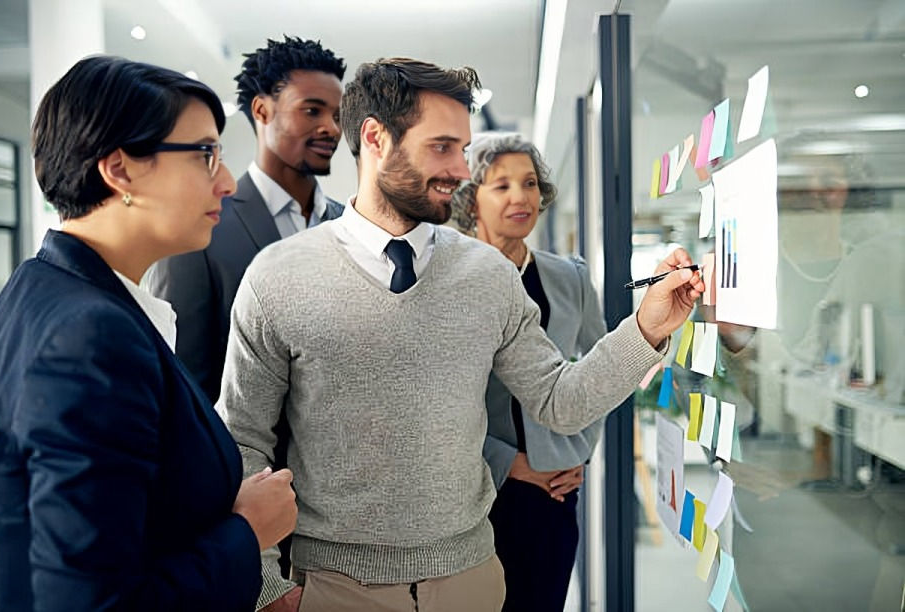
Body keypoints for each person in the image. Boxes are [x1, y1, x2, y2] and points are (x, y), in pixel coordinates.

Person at [218, 57, 704, 612]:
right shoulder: (278, 277)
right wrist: (264, 586)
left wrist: (647, 326)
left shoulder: (488, 274)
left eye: (464, 149)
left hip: (471, 580)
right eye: (442, 147)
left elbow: (559, 400)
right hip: (336, 587)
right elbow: (242, 438)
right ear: (376, 138)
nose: (460, 170)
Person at [0, 56, 298, 611]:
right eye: (204, 155)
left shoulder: (44, 286)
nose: (227, 182)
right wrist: (247, 533)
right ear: (120, 169)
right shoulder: (90, 338)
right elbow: (94, 603)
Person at [451, 132, 605, 611]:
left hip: (553, 493)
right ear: (471, 200)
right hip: (474, 492)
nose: (520, 197)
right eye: (501, 186)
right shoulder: (447, 280)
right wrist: (510, 464)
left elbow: (601, 369)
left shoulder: (570, 276)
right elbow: (435, 398)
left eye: (530, 183)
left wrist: (578, 454)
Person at [146, 36, 346, 404]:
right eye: (312, 111)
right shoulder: (199, 229)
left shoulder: (349, 224)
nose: (332, 128)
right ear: (262, 110)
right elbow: (184, 382)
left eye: (337, 115)